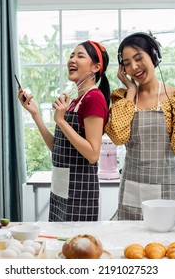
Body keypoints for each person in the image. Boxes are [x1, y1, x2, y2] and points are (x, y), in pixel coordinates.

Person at [105, 32, 175, 220]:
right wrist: (131, 91)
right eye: (127, 63)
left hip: (169, 187)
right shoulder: (124, 98)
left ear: (153, 56)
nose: (134, 67)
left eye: (138, 58)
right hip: (132, 187)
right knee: (132, 245)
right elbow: (118, 137)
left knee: (170, 245)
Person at [18, 40, 111, 222]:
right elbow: (57, 147)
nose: (72, 60)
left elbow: (93, 154)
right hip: (61, 190)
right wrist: (35, 113)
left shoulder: (94, 98)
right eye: (71, 55)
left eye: (80, 56)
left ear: (96, 66)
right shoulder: (76, 100)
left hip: (79, 195)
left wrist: (61, 120)